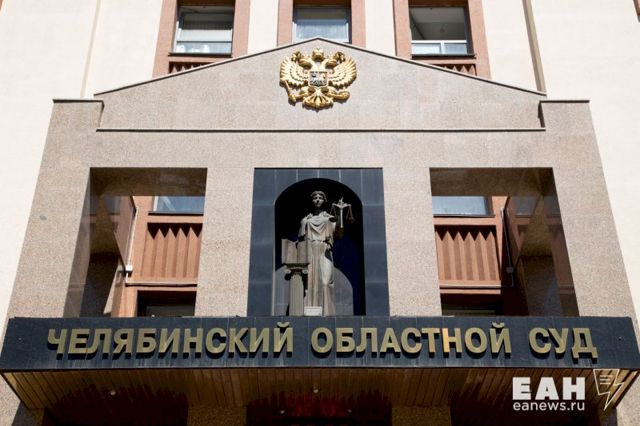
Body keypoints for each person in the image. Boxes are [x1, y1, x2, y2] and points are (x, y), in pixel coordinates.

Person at [299, 190, 337, 315]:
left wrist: (341, 214)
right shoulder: (306, 219)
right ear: (312, 200)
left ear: (324, 200)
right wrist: (304, 223)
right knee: (310, 283)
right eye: (315, 197)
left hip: (324, 249)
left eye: (320, 197)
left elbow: (339, 232)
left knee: (325, 282)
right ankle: (311, 309)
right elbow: (300, 237)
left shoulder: (329, 218)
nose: (317, 199)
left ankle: (327, 312)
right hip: (310, 249)